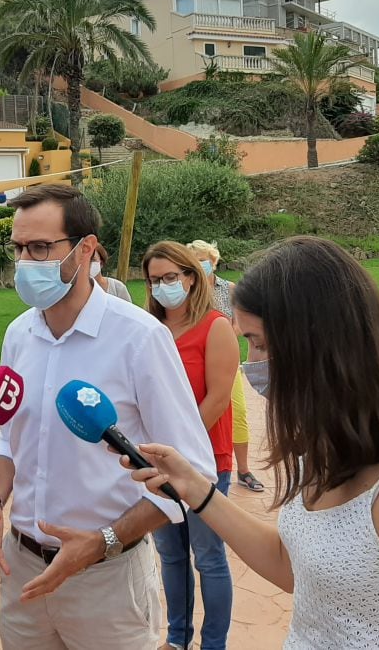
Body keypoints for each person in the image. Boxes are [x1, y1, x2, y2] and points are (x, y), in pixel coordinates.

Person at [119, 237, 379, 650]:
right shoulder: (323, 448)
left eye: (261, 343)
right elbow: (295, 567)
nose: (252, 363)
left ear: (319, 344)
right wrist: (197, 490)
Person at [0, 184, 216, 650]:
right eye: (18, 248)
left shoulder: (140, 338)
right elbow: (8, 439)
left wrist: (103, 542)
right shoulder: (18, 334)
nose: (26, 262)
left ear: (86, 249)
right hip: (23, 570)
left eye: (40, 247)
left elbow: (193, 471)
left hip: (108, 580)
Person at [142, 241, 240, 650]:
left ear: (190, 277)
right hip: (158, 466)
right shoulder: (149, 331)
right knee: (171, 555)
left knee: (209, 556)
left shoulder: (215, 326)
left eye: (171, 277)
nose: (164, 286)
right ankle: (178, 638)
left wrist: (180, 450)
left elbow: (218, 399)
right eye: (155, 280)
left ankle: (212, 643)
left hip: (204, 462)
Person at [187, 239, 264, 494]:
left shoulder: (228, 289)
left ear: (213, 261)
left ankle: (243, 469)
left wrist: (222, 333)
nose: (200, 264)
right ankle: (204, 464)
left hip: (225, 360)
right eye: (194, 259)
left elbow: (240, 323)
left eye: (203, 259)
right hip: (199, 360)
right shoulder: (189, 289)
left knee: (237, 413)